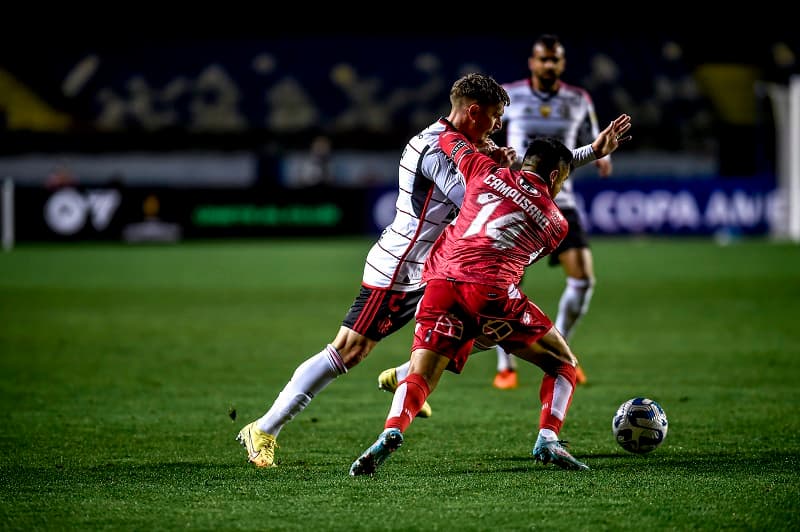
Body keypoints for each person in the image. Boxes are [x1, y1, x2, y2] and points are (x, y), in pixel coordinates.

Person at [235, 73, 515, 468]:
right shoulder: (435, 148)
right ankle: (263, 428)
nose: (498, 126)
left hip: (436, 266)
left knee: (488, 325)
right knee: (349, 350)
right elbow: (474, 200)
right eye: (495, 116)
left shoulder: (464, 144)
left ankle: (406, 375)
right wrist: (498, 168)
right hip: (401, 266)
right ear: (473, 112)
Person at [349, 115, 632, 477]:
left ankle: (390, 430)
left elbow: (448, 139)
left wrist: (481, 146)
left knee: (423, 373)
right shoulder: (556, 223)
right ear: (555, 178)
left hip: (438, 284)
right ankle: (548, 438)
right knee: (563, 364)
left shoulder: (483, 169)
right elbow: (516, 258)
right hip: (492, 293)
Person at [492, 33, 615, 390]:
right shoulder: (510, 95)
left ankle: (563, 349)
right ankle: (506, 365)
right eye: (542, 59)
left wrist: (603, 157)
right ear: (531, 62)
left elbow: (595, 135)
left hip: (563, 202)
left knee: (583, 280)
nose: (548, 65)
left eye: (554, 59)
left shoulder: (578, 100)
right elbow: (487, 131)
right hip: (517, 201)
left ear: (562, 63)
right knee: (503, 285)